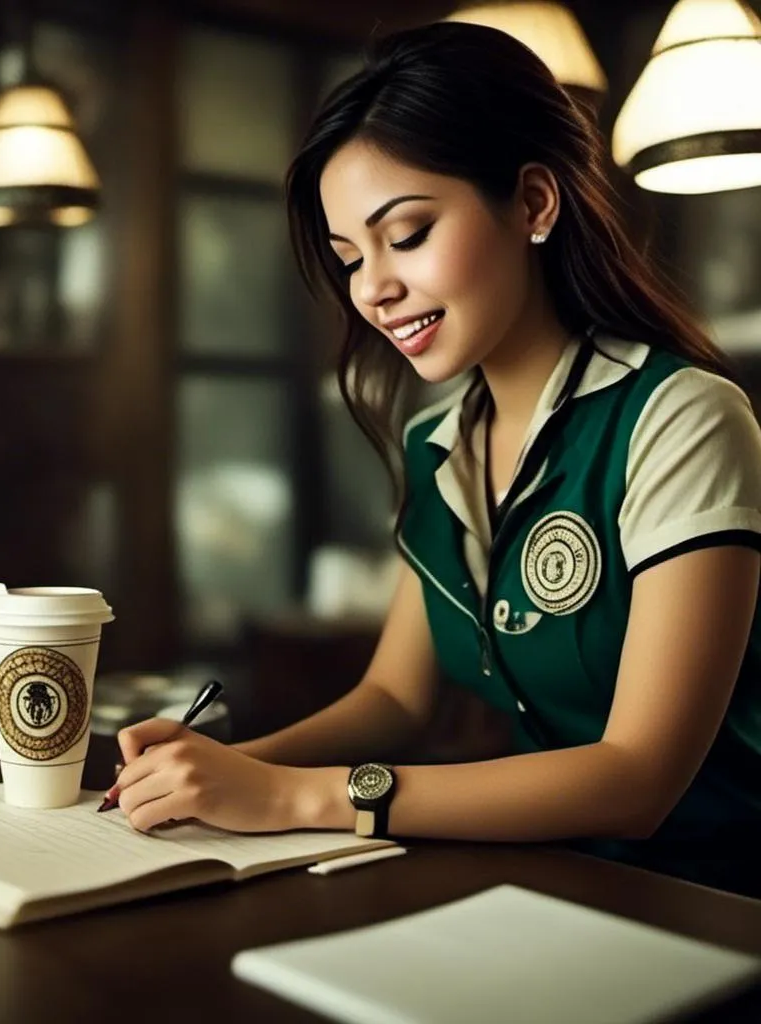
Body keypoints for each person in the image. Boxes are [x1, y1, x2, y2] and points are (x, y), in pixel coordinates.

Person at [109, 22, 761, 899]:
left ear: (533, 203)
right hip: (561, 887)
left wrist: (293, 794)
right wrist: (216, 768)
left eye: (407, 234)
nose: (372, 287)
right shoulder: (436, 441)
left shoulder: (680, 420)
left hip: (721, 902)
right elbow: (394, 699)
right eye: (349, 258)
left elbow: (638, 779)